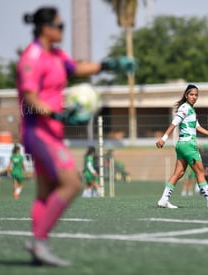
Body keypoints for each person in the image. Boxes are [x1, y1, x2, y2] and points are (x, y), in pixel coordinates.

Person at [17, 6, 135, 266]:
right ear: (46, 29)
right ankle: (39, 241)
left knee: (46, 193)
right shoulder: (32, 57)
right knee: (71, 183)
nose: (62, 30)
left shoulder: (57, 54)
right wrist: (58, 116)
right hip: (38, 131)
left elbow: (77, 68)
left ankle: (39, 248)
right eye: (59, 26)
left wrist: (110, 64)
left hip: (52, 132)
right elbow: (30, 98)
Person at [155, 84, 208, 208]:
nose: (194, 97)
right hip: (188, 145)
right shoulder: (185, 108)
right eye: (191, 94)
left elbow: (197, 127)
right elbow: (174, 123)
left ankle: (163, 199)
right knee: (200, 172)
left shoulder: (190, 109)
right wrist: (164, 139)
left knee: (179, 173)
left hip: (182, 145)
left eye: (196, 95)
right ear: (186, 95)